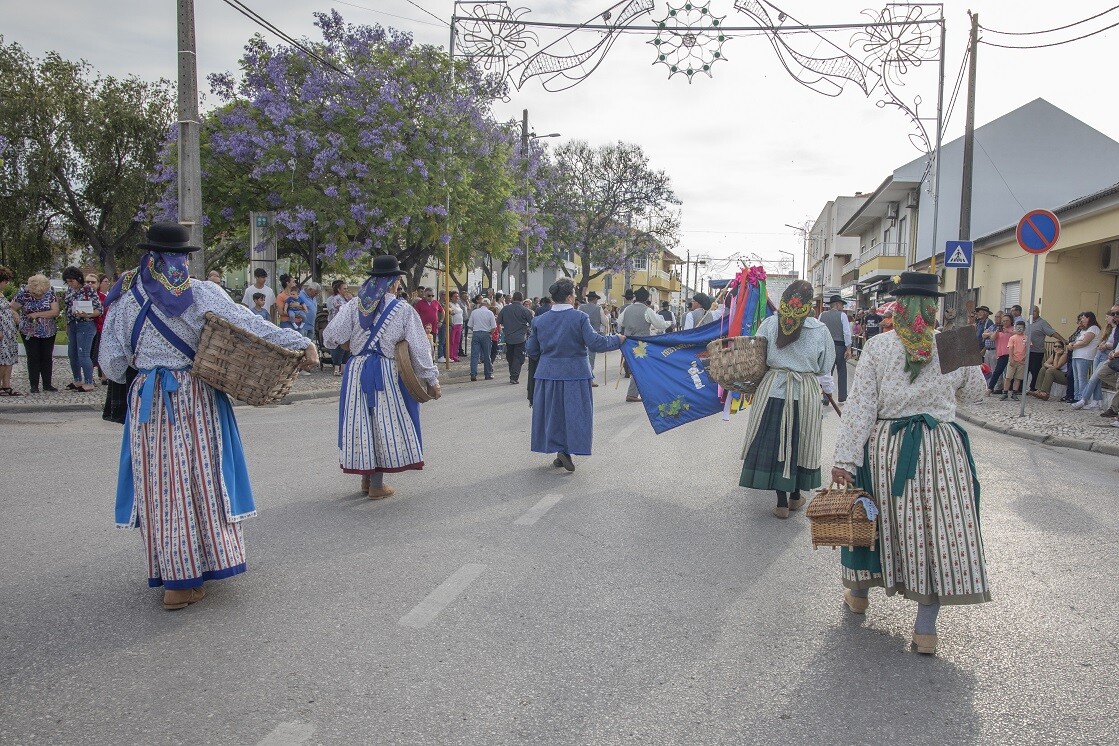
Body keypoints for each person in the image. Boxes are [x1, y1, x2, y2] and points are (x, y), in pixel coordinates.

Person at [99, 223, 316, 610]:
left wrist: (144, 362)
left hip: (148, 401)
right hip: (196, 395)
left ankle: (175, 581)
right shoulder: (202, 293)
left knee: (162, 487)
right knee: (204, 478)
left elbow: (112, 366)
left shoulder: (123, 301)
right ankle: (203, 567)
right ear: (184, 257)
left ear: (149, 257)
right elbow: (250, 325)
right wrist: (302, 343)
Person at [832, 271, 989, 656]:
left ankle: (858, 594)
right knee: (936, 530)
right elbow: (977, 396)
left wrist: (845, 460)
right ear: (934, 307)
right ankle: (925, 631)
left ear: (899, 305)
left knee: (874, 521)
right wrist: (965, 350)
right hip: (942, 447)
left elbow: (863, 407)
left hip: (888, 447)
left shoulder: (880, 346)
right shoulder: (952, 344)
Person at [322, 255, 440, 499]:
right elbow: (419, 347)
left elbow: (330, 335)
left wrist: (348, 344)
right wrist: (432, 380)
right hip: (384, 371)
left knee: (361, 422)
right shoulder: (402, 310)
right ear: (394, 282)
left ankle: (366, 480)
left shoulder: (354, 305)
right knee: (381, 423)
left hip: (355, 369)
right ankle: (377, 485)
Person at [739, 280, 834, 518]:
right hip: (805, 392)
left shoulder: (770, 324)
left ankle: (781, 502)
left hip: (774, 389)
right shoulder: (820, 330)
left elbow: (755, 357)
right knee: (800, 442)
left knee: (775, 444)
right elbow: (825, 366)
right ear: (809, 304)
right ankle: (795, 497)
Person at [526, 278, 624, 472]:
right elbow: (596, 343)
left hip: (548, 374)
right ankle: (566, 450)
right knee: (575, 415)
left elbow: (532, 350)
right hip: (576, 373)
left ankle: (559, 450)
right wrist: (618, 340)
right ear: (570, 297)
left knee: (553, 414)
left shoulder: (539, 320)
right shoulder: (579, 318)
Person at [11, 273, 61, 393]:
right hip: (29, 331)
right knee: (33, 356)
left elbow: (55, 311)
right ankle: (34, 384)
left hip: (48, 331)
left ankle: (47, 384)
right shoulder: (23, 293)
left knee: (47, 356)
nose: (38, 295)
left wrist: (36, 314)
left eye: (41, 294)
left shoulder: (50, 293)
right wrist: (17, 315)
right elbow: (12, 307)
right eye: (35, 294)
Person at [617, 287, 669, 402]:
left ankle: (634, 392)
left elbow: (620, 322)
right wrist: (669, 323)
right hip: (641, 343)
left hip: (628, 341)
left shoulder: (628, 309)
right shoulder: (647, 310)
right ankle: (633, 394)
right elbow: (659, 324)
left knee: (637, 367)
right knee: (640, 368)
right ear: (646, 299)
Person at [59, 266, 103, 392]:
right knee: (72, 354)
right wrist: (67, 325)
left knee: (83, 353)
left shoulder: (88, 290)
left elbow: (99, 309)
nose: (69, 283)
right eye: (67, 281)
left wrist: (86, 314)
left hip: (86, 324)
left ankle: (89, 381)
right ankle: (77, 379)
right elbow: (67, 308)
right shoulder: (69, 290)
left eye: (71, 281)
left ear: (78, 279)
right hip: (73, 324)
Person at [1071, 305, 1118, 411]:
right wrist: (1103, 343)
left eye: (1108, 316)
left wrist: (1106, 345)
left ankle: (1083, 399)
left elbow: (1115, 344)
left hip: (1107, 354)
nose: (1106, 318)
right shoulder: (1109, 328)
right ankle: (1096, 401)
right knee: (1097, 378)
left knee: (1093, 378)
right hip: (1099, 353)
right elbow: (1103, 340)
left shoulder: (1100, 329)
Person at [819, 294, 852, 402]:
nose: (842, 307)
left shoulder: (822, 315)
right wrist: (848, 349)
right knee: (842, 371)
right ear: (837, 304)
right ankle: (842, 396)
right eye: (842, 305)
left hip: (826, 347)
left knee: (827, 372)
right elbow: (846, 333)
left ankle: (826, 397)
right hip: (839, 347)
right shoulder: (842, 315)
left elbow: (818, 331)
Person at [1025, 305, 1064, 391]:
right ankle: (1020, 388)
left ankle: (1033, 388)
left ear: (1038, 312)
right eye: (1030, 311)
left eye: (1034, 311)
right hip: (1025, 351)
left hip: (1037, 351)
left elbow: (1052, 332)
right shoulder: (1027, 322)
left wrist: (1063, 340)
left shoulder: (1042, 323)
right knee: (1024, 370)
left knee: (1035, 371)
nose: (1032, 313)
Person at [499, 292, 534, 385]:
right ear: (522, 299)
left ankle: (512, 374)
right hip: (520, 338)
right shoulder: (525, 310)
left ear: (513, 298)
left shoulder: (505, 309)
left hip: (508, 337)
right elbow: (532, 323)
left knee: (510, 356)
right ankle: (514, 376)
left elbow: (499, 320)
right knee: (518, 357)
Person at [1067, 311, 1100, 403]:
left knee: (1082, 378)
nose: (1081, 320)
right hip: (1076, 355)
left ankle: (1083, 399)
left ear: (1089, 318)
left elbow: (1085, 342)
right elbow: (1076, 341)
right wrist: (1072, 344)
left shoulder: (1094, 328)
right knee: (1076, 378)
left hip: (1085, 356)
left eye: (1083, 318)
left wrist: (1073, 345)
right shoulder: (1084, 330)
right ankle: (1077, 397)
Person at [579, 291, 606, 386]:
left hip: (581, 335)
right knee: (591, 357)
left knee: (582, 356)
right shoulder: (599, 308)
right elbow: (604, 322)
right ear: (595, 299)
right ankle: (589, 378)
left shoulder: (581, 307)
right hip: (593, 335)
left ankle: (582, 377)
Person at [0, 265, 20, 396]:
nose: (6, 284)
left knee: (9, 357)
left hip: (9, 331)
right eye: (5, 281)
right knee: (2, 358)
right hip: (2, 330)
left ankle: (6, 384)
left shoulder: (1, 294)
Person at [467, 297, 497, 381]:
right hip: (486, 334)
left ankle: (473, 374)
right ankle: (488, 374)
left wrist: (475, 330)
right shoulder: (490, 313)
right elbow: (494, 327)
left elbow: (469, 325)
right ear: (488, 304)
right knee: (487, 355)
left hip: (476, 333)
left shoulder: (474, 312)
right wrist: (490, 333)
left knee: (474, 355)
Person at [327, 280, 351, 376]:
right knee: (338, 347)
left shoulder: (345, 299)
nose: (346, 290)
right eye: (344, 288)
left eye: (346, 288)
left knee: (346, 347)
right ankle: (336, 368)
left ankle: (344, 368)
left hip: (346, 326)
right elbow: (340, 308)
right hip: (338, 326)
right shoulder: (336, 298)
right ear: (338, 289)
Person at [985, 316, 1013, 395]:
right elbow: (992, 338)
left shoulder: (1012, 329)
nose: (1005, 322)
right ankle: (990, 388)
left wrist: (1008, 331)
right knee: (997, 371)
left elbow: (1016, 334)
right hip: (1001, 354)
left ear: (1011, 321)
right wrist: (997, 331)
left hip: (1011, 354)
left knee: (1009, 374)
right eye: (1003, 321)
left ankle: (1009, 390)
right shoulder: (999, 330)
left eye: (1007, 321)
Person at [1002, 321, 1027, 401]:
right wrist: (1011, 358)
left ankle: (1014, 393)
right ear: (1015, 328)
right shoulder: (1012, 338)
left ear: (1024, 329)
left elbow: (1028, 349)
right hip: (1013, 360)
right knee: (1008, 377)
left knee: (1018, 378)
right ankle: (1005, 393)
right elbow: (1010, 348)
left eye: (1021, 328)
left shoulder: (1026, 338)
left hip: (1022, 361)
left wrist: (1025, 357)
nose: (1019, 329)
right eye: (1018, 328)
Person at [447, 290, 465, 363]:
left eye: (457, 296)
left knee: (457, 341)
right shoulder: (450, 304)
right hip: (454, 324)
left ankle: (455, 355)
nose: (457, 298)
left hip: (459, 324)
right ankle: (450, 355)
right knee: (452, 341)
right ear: (451, 297)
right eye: (455, 296)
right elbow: (450, 313)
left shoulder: (458, 305)